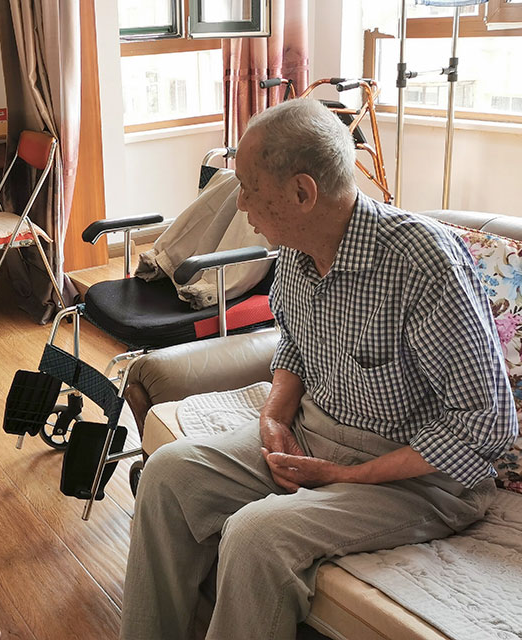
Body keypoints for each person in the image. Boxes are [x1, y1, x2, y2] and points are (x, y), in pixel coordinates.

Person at [120, 99, 518, 640]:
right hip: (314, 439)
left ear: (302, 193)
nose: (240, 203)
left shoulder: (423, 262)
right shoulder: (296, 252)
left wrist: (344, 478)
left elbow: (486, 426)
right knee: (168, 474)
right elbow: (295, 349)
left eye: (248, 187)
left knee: (257, 536)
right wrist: (274, 418)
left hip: (419, 480)